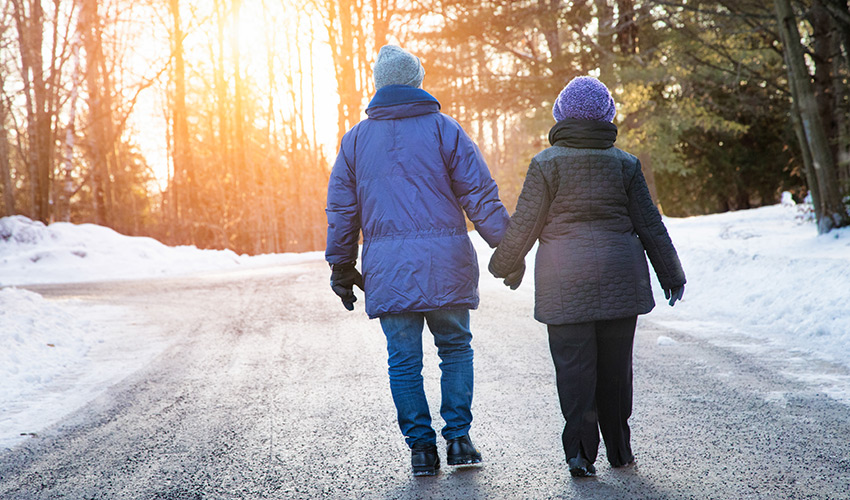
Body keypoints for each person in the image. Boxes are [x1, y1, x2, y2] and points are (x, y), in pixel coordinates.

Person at [325, 45, 510, 477]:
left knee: (404, 361)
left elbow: (342, 210)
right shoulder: (444, 130)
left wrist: (341, 264)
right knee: (455, 348)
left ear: (379, 86)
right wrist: (507, 244)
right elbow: (478, 193)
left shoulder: (354, 141)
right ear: (416, 82)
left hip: (389, 272)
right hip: (445, 264)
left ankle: (422, 449)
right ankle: (460, 440)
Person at [488, 76, 686, 478]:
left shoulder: (547, 163)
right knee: (615, 371)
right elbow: (650, 224)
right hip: (619, 278)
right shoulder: (626, 164)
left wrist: (504, 264)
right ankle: (620, 450)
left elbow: (526, 223)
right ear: (608, 117)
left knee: (575, 371)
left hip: (565, 283)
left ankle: (580, 453)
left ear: (561, 116)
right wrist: (671, 273)